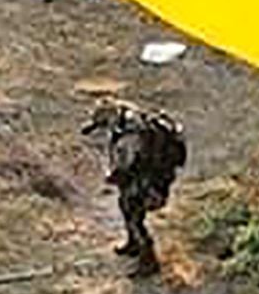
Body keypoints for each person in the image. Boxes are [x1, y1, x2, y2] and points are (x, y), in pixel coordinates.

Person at [80, 99, 187, 275]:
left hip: (148, 178)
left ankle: (148, 261)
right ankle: (133, 244)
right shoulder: (131, 119)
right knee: (126, 206)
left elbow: (128, 164)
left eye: (102, 125)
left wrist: (114, 176)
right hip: (146, 174)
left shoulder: (131, 134)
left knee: (134, 217)